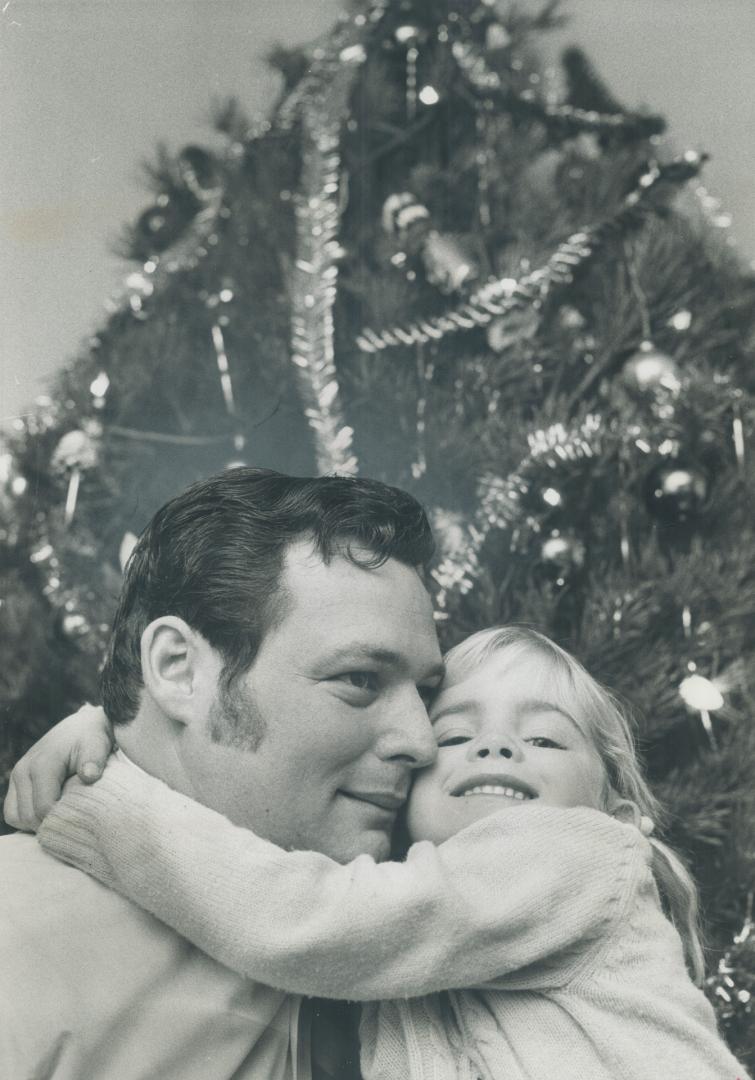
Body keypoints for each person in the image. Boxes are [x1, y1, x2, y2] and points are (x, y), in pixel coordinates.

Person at [10, 629, 748, 1078]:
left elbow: (300, 918)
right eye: (453, 736)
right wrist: (106, 725)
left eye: (546, 738)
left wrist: (109, 793)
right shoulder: (418, 911)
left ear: (614, 808)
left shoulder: (581, 854)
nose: (494, 747)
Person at [0, 466, 445, 1080]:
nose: (423, 741)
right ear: (178, 669)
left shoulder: (422, 907)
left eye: (427, 693)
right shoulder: (13, 940)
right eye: (360, 680)